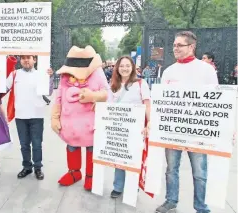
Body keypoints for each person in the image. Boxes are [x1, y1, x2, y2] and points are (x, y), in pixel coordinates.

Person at [155, 31, 217, 213]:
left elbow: (216, 100)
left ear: (191, 47)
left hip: (197, 131)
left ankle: (201, 206)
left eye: (179, 45)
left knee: (199, 172)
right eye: (174, 45)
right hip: (173, 131)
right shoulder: (168, 71)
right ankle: (170, 201)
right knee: (171, 169)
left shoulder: (206, 70)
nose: (175, 48)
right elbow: (162, 102)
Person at [51, 45, 109, 191]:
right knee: (71, 146)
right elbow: (58, 98)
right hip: (70, 125)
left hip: (90, 124)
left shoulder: (97, 73)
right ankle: (74, 172)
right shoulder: (65, 76)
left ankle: (91, 176)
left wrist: (94, 96)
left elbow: (107, 93)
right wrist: (54, 117)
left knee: (91, 148)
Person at [2, 55, 54, 180]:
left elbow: (49, 91)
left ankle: (38, 168)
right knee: (24, 144)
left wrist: (50, 77)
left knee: (37, 144)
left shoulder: (41, 74)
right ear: (20, 61)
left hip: (37, 115)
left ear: (34, 60)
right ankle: (27, 167)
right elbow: (2, 88)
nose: (26, 60)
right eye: (23, 58)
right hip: (21, 115)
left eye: (29, 58)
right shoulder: (14, 74)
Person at [108, 56, 151, 198]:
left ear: (132, 67)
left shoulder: (140, 83)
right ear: (117, 68)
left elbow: (147, 104)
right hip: (118, 128)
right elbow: (109, 106)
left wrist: (150, 122)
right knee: (119, 157)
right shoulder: (113, 84)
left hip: (135, 129)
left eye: (127, 66)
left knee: (133, 157)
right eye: (121, 66)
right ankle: (118, 186)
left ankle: (133, 186)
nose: (124, 68)